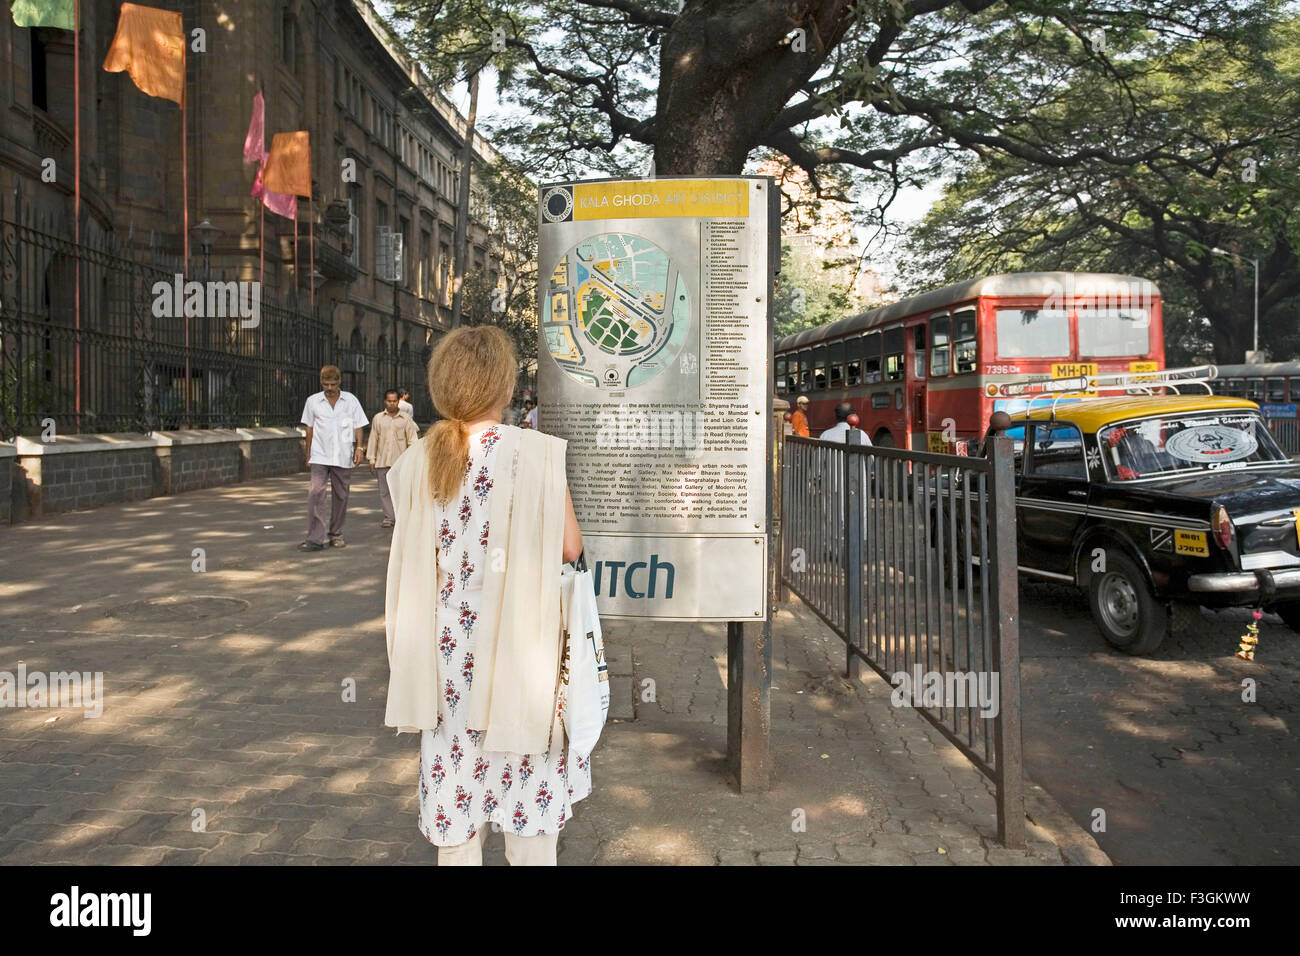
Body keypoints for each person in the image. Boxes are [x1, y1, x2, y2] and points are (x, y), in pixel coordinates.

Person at [384, 325, 588, 867]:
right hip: (522, 646)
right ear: (504, 387)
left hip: (448, 653)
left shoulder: (419, 460)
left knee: (456, 786)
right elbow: (571, 547)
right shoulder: (536, 454)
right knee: (528, 785)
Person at [298, 365, 368, 551]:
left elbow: (358, 426)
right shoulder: (313, 401)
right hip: (320, 455)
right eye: (326, 384)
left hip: (343, 455)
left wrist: (359, 447)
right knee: (315, 493)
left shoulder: (351, 401)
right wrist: (308, 454)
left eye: (333, 383)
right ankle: (315, 538)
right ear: (321, 382)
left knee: (341, 495)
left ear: (339, 382)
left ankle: (336, 534)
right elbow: (310, 429)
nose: (329, 388)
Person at [367, 388, 419, 529]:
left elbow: (412, 441)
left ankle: (401, 516)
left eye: (394, 401)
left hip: (400, 462)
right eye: (389, 401)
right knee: (384, 491)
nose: (391, 404)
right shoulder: (378, 418)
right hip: (382, 461)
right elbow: (373, 439)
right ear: (385, 401)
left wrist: (412, 460)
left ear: (398, 402)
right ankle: (389, 517)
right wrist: (371, 459)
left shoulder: (406, 419)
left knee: (401, 490)